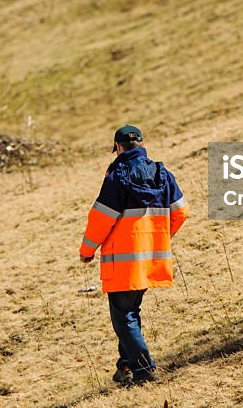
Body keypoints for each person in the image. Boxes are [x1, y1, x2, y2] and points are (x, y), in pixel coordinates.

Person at [79, 125, 188, 385]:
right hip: (152, 258)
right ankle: (124, 367)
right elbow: (181, 211)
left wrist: (87, 250)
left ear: (117, 146)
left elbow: (101, 218)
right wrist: (160, 236)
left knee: (123, 317)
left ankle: (144, 369)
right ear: (142, 143)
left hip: (124, 262)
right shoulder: (163, 174)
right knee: (130, 312)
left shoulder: (118, 176)